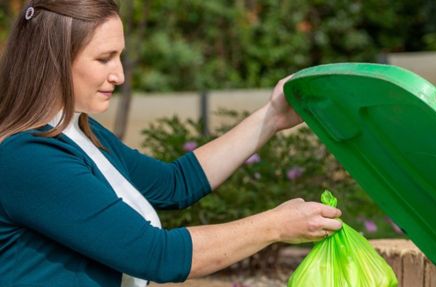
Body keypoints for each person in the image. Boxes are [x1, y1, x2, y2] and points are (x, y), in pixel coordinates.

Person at [0, 1, 343, 286]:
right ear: (55, 58)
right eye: (104, 58)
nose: (119, 75)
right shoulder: (28, 157)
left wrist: (271, 118)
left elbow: (173, 184)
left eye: (120, 57)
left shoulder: (78, 131)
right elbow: (156, 255)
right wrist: (275, 225)